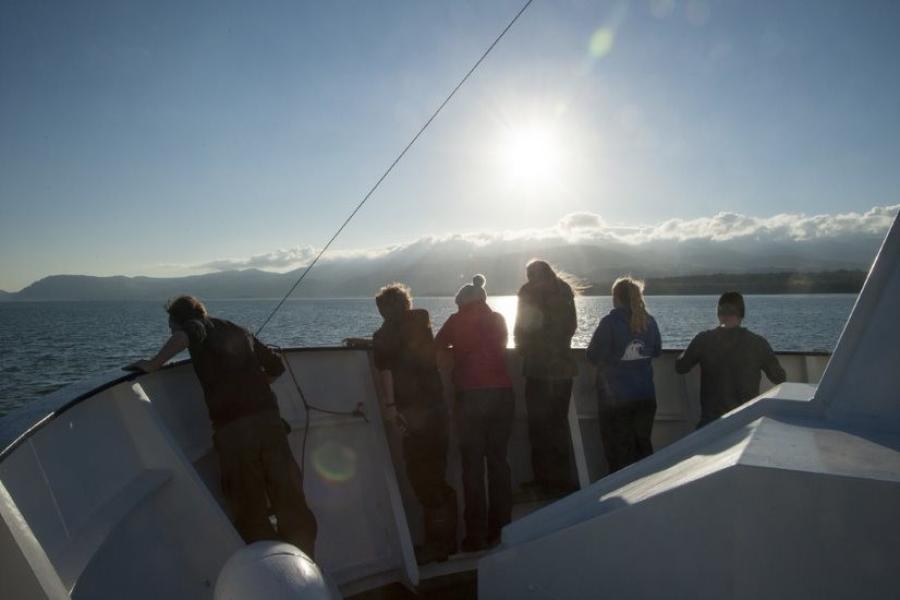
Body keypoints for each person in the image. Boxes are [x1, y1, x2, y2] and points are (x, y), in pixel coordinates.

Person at [126, 295, 318, 556]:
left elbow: (185, 336)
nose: (172, 331)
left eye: (172, 326)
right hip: (270, 423)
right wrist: (256, 384)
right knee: (289, 497)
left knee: (248, 505)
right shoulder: (239, 329)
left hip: (236, 431)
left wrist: (152, 364)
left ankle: (272, 568)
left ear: (182, 320)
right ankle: (305, 561)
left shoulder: (195, 327)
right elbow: (275, 366)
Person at [368, 283, 458, 565]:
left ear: (384, 309)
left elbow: (387, 372)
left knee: (420, 477)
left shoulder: (382, 335)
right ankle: (447, 541)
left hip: (413, 414)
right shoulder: (422, 322)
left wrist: (391, 407)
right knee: (437, 473)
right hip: (437, 409)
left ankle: (437, 546)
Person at [435, 275, 514, 552]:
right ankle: (502, 529)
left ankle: (476, 536)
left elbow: (437, 346)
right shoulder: (498, 319)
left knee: (472, 467)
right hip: (503, 395)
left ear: (461, 303)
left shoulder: (456, 321)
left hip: (471, 396)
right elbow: (501, 347)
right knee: (498, 463)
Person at [513, 259, 578, 496]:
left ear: (531, 274)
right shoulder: (564, 290)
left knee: (539, 427)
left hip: (539, 370)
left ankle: (543, 481)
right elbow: (572, 327)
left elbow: (522, 327)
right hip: (563, 370)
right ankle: (562, 481)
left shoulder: (528, 291)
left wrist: (523, 347)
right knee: (558, 426)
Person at [675, 291, 787, 428]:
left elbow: (681, 367)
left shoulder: (703, 340)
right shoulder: (758, 343)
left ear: (718, 313)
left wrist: (685, 353)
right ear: (742, 315)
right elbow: (779, 377)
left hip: (711, 422)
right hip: (746, 421)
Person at [586, 277, 662, 474]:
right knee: (642, 448)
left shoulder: (610, 323)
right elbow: (657, 351)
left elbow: (593, 356)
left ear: (616, 298)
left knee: (618, 453)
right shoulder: (650, 322)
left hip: (616, 400)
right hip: (646, 397)